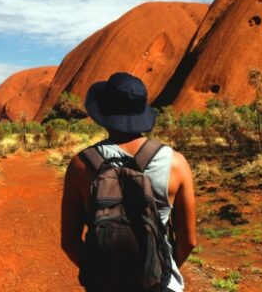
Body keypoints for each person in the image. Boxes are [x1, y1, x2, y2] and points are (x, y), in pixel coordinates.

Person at [61, 72, 197, 292]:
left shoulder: (81, 165)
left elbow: (69, 242)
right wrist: (161, 270)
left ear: (104, 112)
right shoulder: (176, 163)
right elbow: (189, 241)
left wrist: (103, 275)